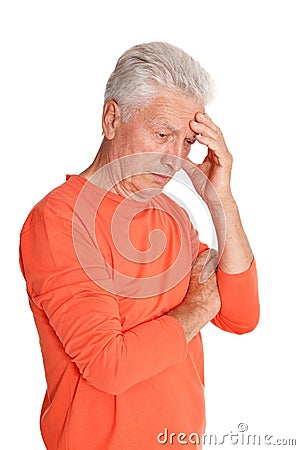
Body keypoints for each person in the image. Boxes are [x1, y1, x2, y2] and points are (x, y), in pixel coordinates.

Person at [19, 42, 259, 450]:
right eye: (163, 133)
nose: (175, 159)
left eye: (187, 142)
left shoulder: (173, 215)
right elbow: (110, 365)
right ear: (112, 119)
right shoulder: (58, 220)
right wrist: (197, 308)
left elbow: (241, 316)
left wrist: (221, 201)